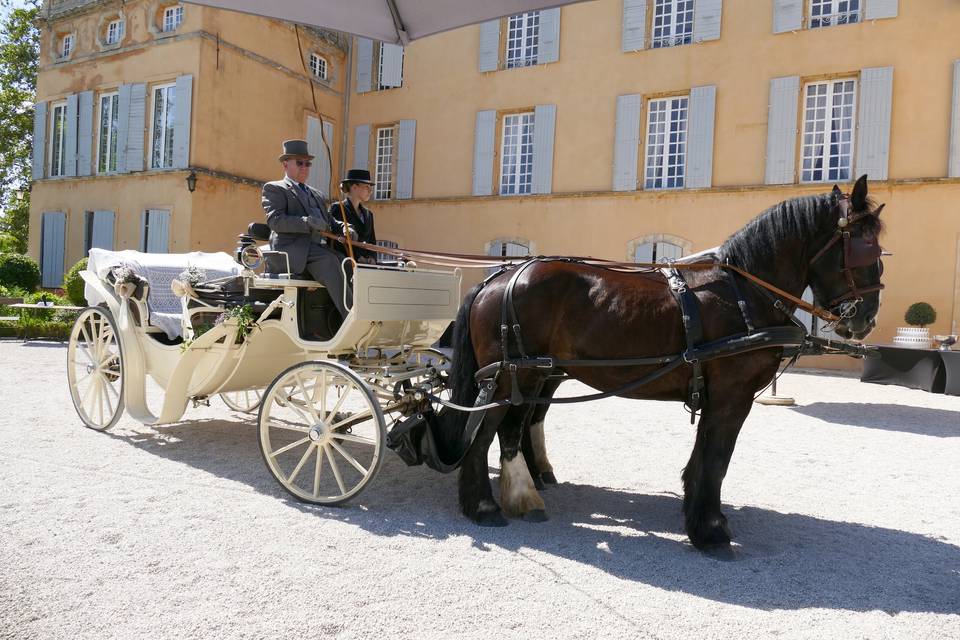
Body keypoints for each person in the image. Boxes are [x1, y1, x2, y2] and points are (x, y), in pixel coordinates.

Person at [261, 139, 353, 320]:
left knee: (347, 262)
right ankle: (350, 317)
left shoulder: (316, 194)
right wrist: (306, 222)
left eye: (308, 163)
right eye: (300, 163)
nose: (305, 167)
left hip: (316, 249)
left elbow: (329, 221)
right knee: (330, 262)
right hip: (292, 250)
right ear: (285, 164)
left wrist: (344, 228)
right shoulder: (275, 188)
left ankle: (336, 318)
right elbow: (275, 221)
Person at [329, 169, 378, 264]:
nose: (370, 191)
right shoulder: (338, 208)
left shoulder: (368, 214)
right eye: (367, 187)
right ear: (354, 187)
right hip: (345, 263)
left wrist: (371, 257)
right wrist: (358, 257)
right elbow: (335, 240)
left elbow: (372, 241)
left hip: (366, 265)